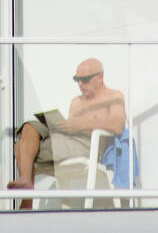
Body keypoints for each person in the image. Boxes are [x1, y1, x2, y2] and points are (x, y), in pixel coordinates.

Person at [8, 58, 126, 208]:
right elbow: (71, 130)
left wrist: (79, 124)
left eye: (85, 79)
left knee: (20, 148)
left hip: (87, 146)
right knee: (30, 126)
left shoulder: (114, 96)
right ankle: (26, 182)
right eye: (77, 79)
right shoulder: (77, 101)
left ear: (100, 77)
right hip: (67, 142)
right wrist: (63, 126)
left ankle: (26, 200)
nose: (80, 84)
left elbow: (117, 125)